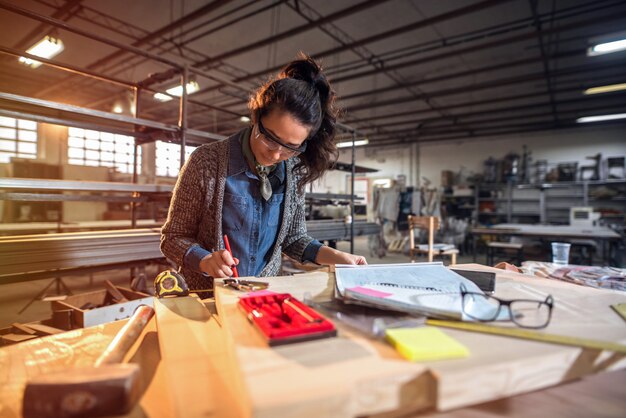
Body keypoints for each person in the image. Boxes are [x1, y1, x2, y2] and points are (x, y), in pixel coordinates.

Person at [160, 54, 367, 291]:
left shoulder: (293, 172)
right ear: (256, 118)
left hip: (264, 293)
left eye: (291, 147)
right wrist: (205, 261)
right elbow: (173, 237)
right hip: (207, 294)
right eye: (270, 138)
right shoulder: (207, 162)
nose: (276, 154)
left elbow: (294, 239)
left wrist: (338, 257)